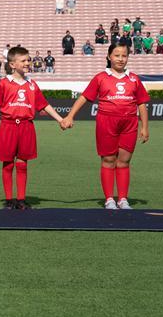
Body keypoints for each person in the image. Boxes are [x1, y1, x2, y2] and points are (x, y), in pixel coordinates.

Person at [0, 47, 68, 209]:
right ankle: (9, 200)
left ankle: (21, 199)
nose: (27, 63)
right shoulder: (4, 83)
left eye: (28, 60)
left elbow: (44, 105)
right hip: (8, 126)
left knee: (22, 163)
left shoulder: (32, 85)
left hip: (26, 127)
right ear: (12, 64)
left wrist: (60, 120)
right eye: (23, 60)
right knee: (8, 163)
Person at [61, 42, 150, 210]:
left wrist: (144, 127)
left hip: (129, 123)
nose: (120, 59)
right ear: (109, 57)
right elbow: (84, 98)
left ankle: (123, 199)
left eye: (124, 56)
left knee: (124, 161)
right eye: (117, 55)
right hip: (106, 122)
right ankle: (109, 199)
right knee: (108, 160)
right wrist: (70, 116)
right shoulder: (100, 77)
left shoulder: (134, 78)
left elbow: (142, 104)